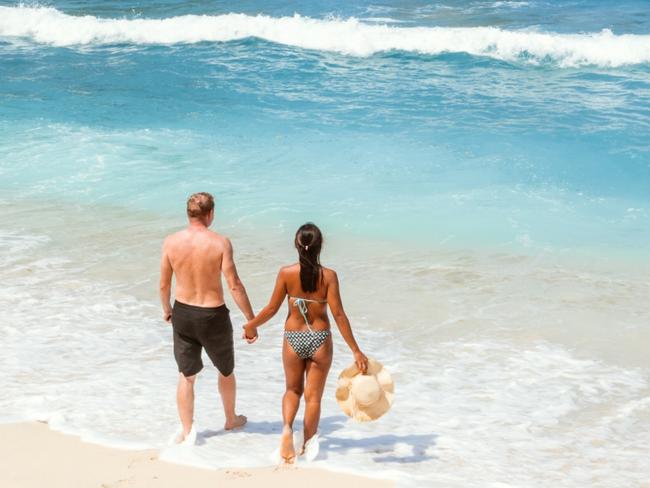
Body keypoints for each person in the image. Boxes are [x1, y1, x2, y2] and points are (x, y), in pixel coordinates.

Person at [243, 222, 368, 463]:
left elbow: (271, 309)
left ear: (296, 244)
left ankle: (288, 429)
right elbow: (339, 315)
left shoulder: (286, 273)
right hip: (320, 339)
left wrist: (251, 326)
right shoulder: (329, 276)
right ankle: (307, 447)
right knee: (313, 398)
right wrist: (356, 350)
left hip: (293, 338)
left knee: (292, 390)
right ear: (320, 245)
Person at [160, 192, 253, 443]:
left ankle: (188, 430)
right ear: (210, 214)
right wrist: (250, 319)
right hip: (213, 316)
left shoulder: (170, 242)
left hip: (183, 312)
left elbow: (163, 284)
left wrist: (167, 309)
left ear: (189, 214)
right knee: (225, 371)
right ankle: (231, 419)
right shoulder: (221, 243)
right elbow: (234, 284)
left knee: (186, 376)